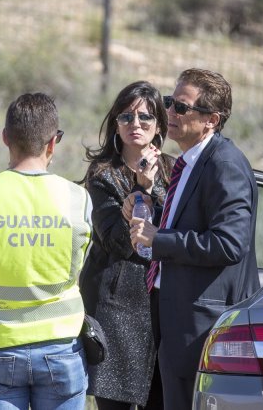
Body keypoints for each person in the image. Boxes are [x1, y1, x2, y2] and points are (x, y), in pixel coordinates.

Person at [0, 92, 93, 410]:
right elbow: (80, 264)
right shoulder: (78, 199)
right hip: (61, 347)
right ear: (53, 143)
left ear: (5, 138)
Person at [126, 68, 258, 410]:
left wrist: (160, 239)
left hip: (201, 327)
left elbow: (229, 243)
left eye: (181, 107)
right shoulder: (190, 162)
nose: (169, 112)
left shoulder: (224, 164)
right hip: (174, 319)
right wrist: (149, 208)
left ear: (211, 120)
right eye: (170, 102)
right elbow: (189, 223)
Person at [78, 81, 171, 410]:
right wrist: (140, 189)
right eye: (126, 117)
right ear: (115, 124)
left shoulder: (175, 170)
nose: (136, 124)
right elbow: (117, 241)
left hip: (162, 306)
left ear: (159, 125)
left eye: (145, 117)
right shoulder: (103, 175)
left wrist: (153, 186)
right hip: (116, 308)